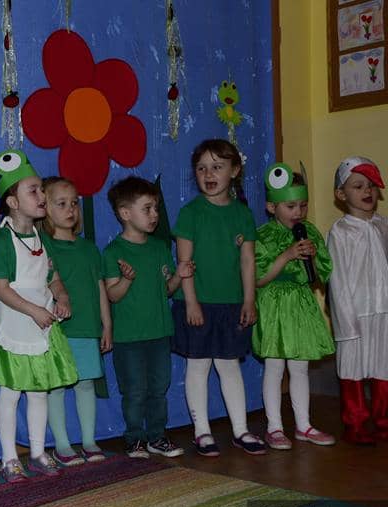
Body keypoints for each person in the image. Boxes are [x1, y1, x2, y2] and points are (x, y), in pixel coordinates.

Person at [0, 150, 78, 482]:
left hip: (42, 323)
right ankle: (10, 458)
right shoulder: (2, 241)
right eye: (34, 191)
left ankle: (38, 452)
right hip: (16, 322)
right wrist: (33, 310)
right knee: (11, 392)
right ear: (13, 202)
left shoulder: (41, 238)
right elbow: (1, 288)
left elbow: (53, 277)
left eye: (42, 189)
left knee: (39, 391)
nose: (42, 196)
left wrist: (61, 297)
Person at [172, 139, 266, 457]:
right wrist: (192, 302)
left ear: (234, 171)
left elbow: (248, 261)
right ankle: (202, 432)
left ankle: (240, 430)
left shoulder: (242, 214)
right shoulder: (190, 213)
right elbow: (184, 263)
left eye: (217, 167)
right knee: (198, 365)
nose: (208, 174)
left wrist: (249, 300)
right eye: (201, 168)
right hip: (197, 303)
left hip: (231, 304)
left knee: (229, 365)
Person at [104, 176, 193, 459]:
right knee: (135, 391)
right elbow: (112, 295)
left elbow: (166, 290)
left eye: (156, 208)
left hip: (159, 333)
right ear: (125, 213)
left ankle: (157, 437)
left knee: (158, 388)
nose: (154, 215)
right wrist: (127, 279)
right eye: (147, 209)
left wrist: (179, 275)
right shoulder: (114, 252)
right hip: (129, 337)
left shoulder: (159, 248)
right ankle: (135, 439)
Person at [253, 163, 335, 450]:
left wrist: (312, 258)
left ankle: (304, 425)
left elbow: (323, 272)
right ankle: (274, 427)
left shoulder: (308, 231)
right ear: (271, 207)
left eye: (303, 205)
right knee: (275, 366)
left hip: (300, 305)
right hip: (274, 307)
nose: (298, 212)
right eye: (290, 206)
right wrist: (287, 255)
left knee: (300, 367)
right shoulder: (263, 235)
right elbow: (259, 277)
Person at [38, 177, 112, 466]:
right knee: (56, 386)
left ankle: (89, 441)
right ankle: (62, 445)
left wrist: (107, 325)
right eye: (61, 204)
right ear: (45, 208)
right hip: (58, 330)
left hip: (86, 329)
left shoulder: (89, 249)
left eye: (74, 204)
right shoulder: (43, 246)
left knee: (85, 384)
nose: (70, 209)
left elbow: (100, 288)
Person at [327, 156, 388, 445]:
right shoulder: (340, 232)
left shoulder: (383, 225)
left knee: (383, 366)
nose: (367, 191)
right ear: (341, 194)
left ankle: (384, 420)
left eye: (371, 186)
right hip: (355, 312)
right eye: (358, 186)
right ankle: (356, 423)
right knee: (352, 368)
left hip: (384, 310)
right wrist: (345, 320)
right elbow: (337, 279)